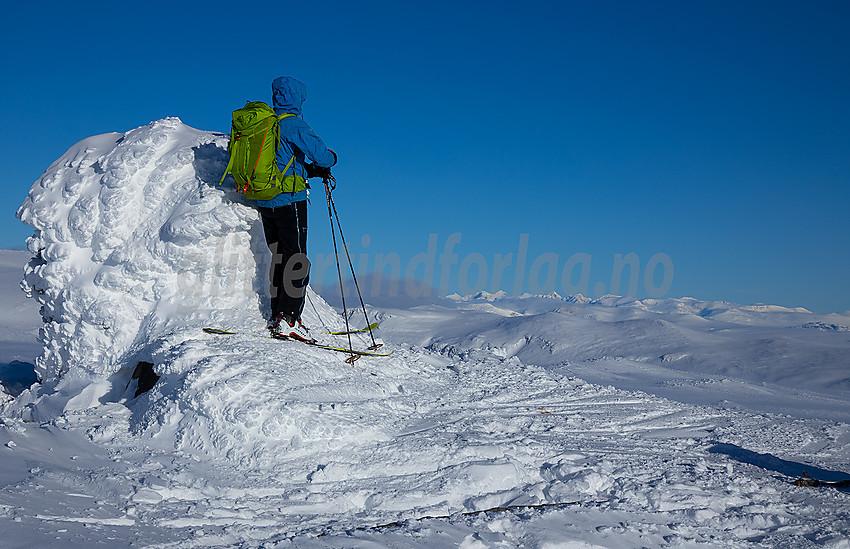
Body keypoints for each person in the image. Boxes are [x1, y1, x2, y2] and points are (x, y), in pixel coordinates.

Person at [258, 76, 336, 340]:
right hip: (290, 199)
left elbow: (283, 161)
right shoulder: (294, 124)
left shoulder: (267, 124)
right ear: (296, 97)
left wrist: (308, 171)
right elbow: (323, 155)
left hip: (265, 199)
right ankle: (289, 319)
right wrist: (331, 159)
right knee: (298, 258)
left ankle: (277, 314)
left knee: (280, 256)